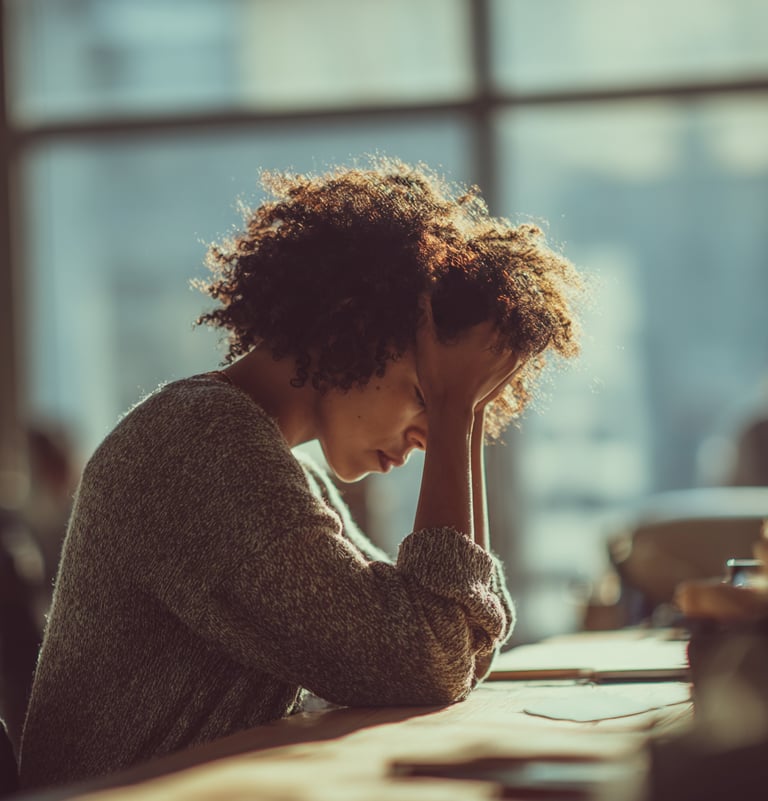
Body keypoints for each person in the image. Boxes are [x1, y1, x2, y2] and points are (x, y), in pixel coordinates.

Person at [18, 158, 582, 789]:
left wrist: (463, 411)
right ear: (349, 325)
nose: (430, 441)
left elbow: (450, 641)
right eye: (424, 395)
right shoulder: (199, 445)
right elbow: (423, 655)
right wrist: (456, 413)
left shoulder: (281, 464)